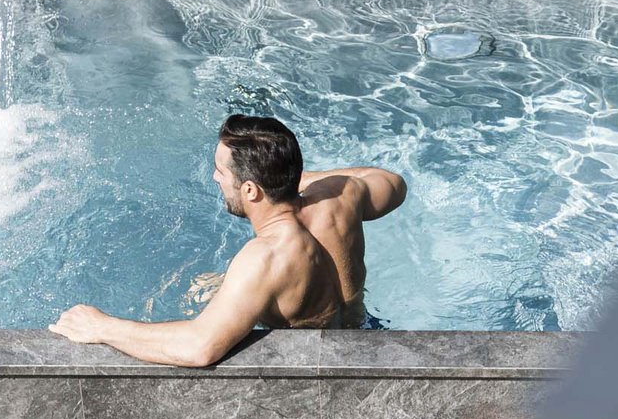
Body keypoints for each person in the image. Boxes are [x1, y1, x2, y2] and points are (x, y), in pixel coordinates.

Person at [48, 114, 406, 367]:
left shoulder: (265, 257)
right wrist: (288, 176)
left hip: (322, 366)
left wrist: (102, 326)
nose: (215, 177)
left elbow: (199, 348)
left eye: (221, 171)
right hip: (363, 332)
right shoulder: (341, 197)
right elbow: (392, 183)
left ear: (250, 189)